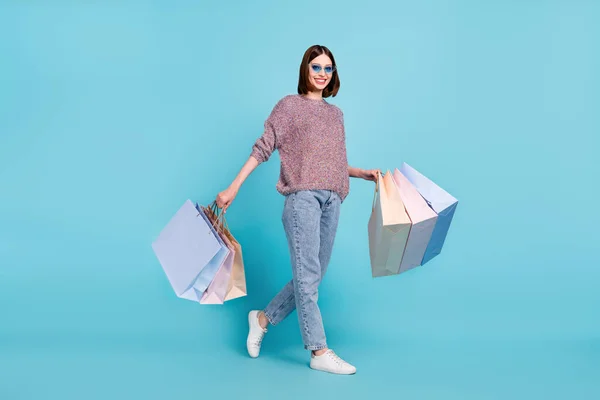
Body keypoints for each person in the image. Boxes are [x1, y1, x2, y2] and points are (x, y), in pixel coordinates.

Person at [216, 44, 379, 375]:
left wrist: (361, 174)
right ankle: (319, 351)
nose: (322, 74)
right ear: (305, 69)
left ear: (334, 74)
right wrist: (234, 186)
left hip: (333, 199)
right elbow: (263, 149)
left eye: (328, 69)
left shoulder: (336, 115)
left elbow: (328, 160)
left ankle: (262, 318)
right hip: (302, 198)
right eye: (316, 67)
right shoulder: (288, 107)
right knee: (307, 277)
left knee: (312, 277)